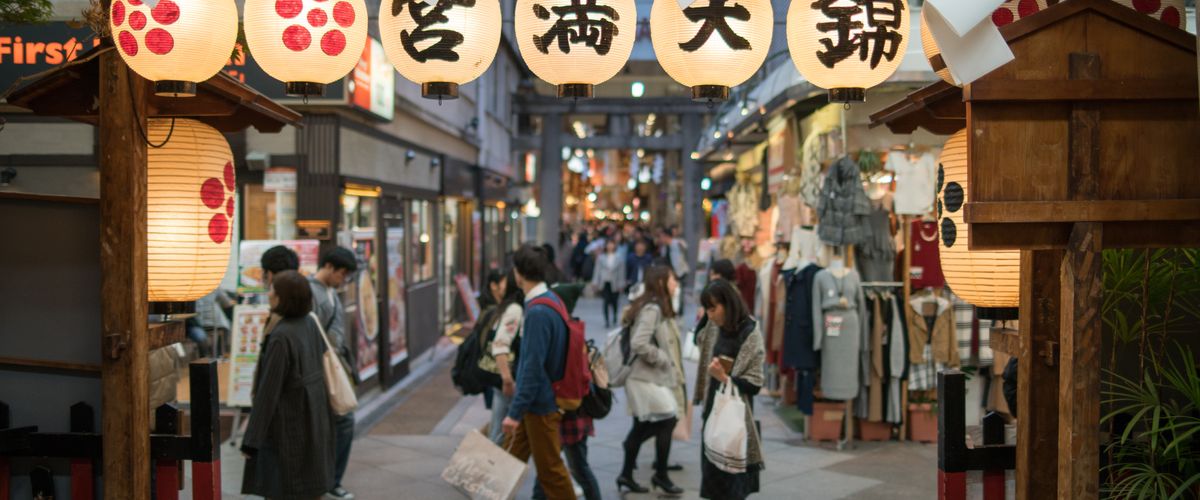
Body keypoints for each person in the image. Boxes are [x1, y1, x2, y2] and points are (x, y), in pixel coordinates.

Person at [241, 271, 335, 500]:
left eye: (274, 290)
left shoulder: (281, 336)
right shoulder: (309, 323)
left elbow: (267, 393)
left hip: (287, 426)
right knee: (309, 487)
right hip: (313, 417)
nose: (269, 293)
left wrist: (251, 441)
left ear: (284, 298)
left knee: (284, 488)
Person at [501, 244, 577, 500]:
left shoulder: (537, 312)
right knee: (506, 461)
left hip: (541, 405)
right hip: (539, 402)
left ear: (518, 274)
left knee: (551, 472)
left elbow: (532, 367)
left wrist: (514, 412)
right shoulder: (551, 301)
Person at [694, 280, 766, 500]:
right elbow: (698, 338)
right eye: (707, 308)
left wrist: (725, 378)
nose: (710, 314)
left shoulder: (749, 331)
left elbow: (755, 383)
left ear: (729, 304)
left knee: (732, 482)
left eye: (713, 308)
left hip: (736, 414)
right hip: (713, 409)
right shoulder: (715, 326)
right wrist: (708, 313)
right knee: (712, 477)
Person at [617, 265, 685, 495]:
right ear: (661, 282)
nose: (676, 283)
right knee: (668, 418)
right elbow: (639, 342)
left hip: (646, 376)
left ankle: (626, 474)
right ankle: (661, 475)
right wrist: (662, 358)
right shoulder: (653, 308)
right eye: (672, 279)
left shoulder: (655, 306)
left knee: (643, 424)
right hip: (642, 377)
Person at [309, 247, 358, 500]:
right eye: (342, 274)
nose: (344, 280)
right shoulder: (311, 291)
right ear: (329, 266)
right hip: (321, 370)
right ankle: (328, 481)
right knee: (343, 422)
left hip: (332, 366)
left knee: (342, 422)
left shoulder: (330, 292)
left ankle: (330, 481)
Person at [487, 270, 524, 445]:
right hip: (508, 379)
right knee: (500, 433)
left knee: (498, 430)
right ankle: (491, 469)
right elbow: (500, 345)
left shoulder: (506, 307)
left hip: (500, 378)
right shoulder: (514, 309)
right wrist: (507, 379)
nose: (501, 285)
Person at [592, 239, 626, 328]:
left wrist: (621, 284)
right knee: (606, 301)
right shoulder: (601, 257)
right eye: (609, 244)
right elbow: (597, 270)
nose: (610, 246)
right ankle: (606, 320)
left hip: (615, 282)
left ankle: (614, 317)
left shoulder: (619, 257)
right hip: (605, 282)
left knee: (614, 301)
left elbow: (622, 272)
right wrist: (595, 282)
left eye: (612, 244)